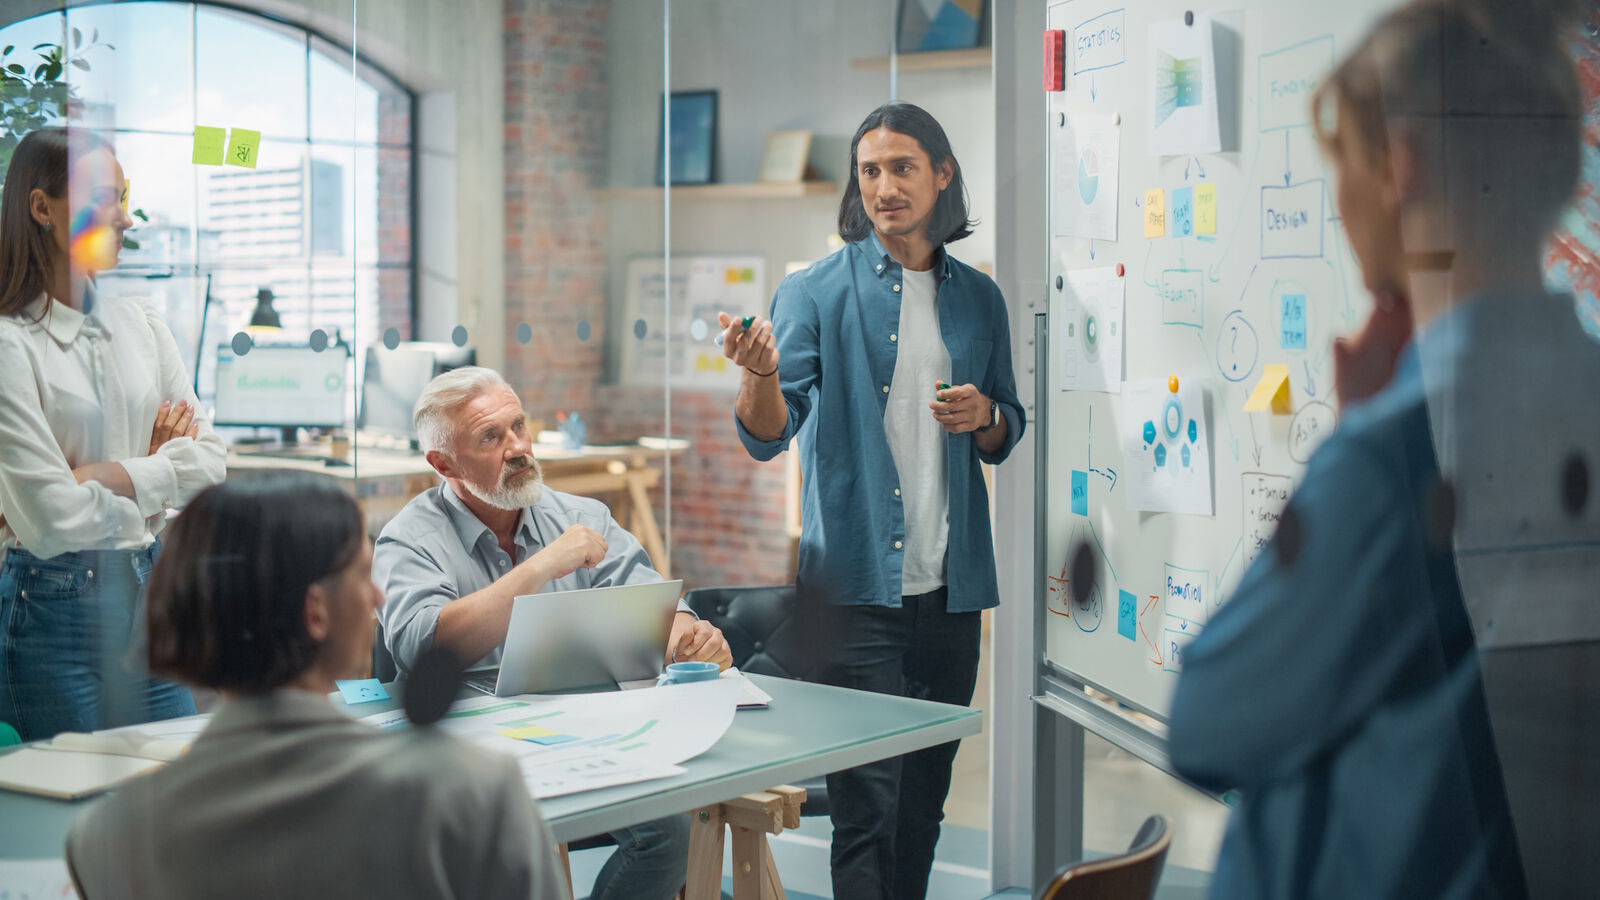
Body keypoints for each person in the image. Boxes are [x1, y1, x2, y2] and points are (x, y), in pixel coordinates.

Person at [1169, 0, 1597, 896]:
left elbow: (1207, 722)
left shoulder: (1391, 458)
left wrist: (1350, 442)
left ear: (1398, 168)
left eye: (1343, 166)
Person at [720, 102, 1024, 900]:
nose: (884, 186)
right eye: (870, 171)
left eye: (902, 168)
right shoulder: (812, 292)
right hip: (854, 592)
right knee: (867, 811)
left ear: (942, 174)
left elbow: (1010, 426)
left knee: (924, 803)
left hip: (953, 598)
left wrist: (987, 417)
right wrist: (757, 374)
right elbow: (767, 434)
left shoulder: (980, 299)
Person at [66, 472, 570, 900]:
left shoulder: (108, 837)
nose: (376, 595)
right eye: (361, 574)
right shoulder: (471, 794)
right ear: (316, 612)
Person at [374, 365, 729, 900]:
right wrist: (539, 568)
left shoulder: (583, 516)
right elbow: (426, 645)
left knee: (672, 831)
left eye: (518, 426)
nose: (517, 447)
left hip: (578, 726)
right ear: (442, 463)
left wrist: (686, 633)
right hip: (463, 738)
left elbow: (650, 600)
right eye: (491, 437)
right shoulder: (407, 539)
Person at [0, 127, 224, 741]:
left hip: (145, 595)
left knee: (175, 796)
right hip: (51, 612)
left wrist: (103, 476)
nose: (126, 219)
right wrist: (151, 474)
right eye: (105, 199)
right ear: (42, 207)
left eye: (124, 197)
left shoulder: (142, 324)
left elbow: (210, 459)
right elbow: (49, 520)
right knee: (73, 816)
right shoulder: (9, 343)